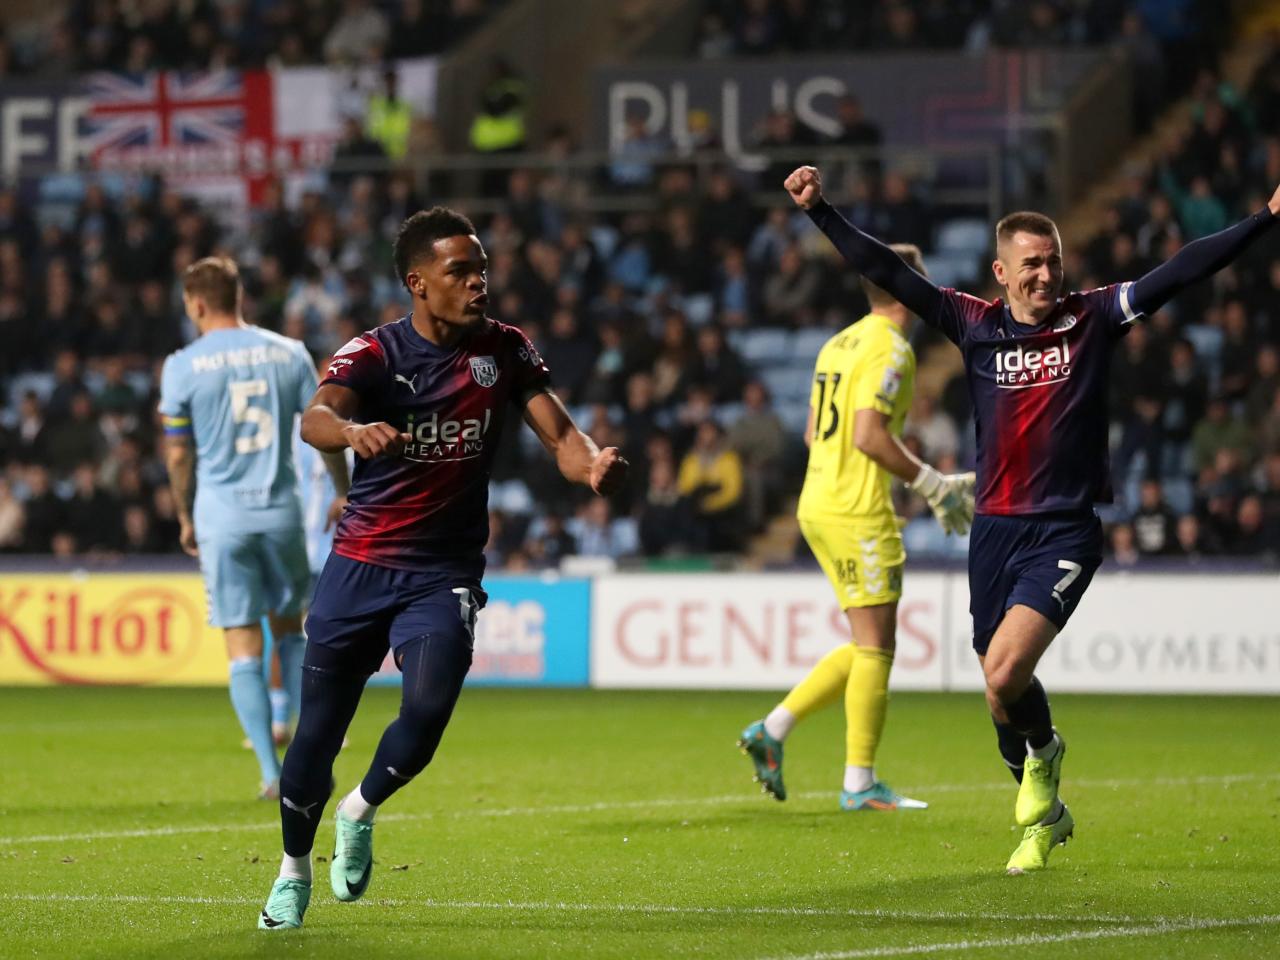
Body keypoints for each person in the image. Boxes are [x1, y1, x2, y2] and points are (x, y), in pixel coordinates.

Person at [783, 164, 1280, 873]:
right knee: (996, 687)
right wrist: (821, 212)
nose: (1045, 275)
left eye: (1053, 262)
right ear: (1001, 271)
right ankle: (1043, 814)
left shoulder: (1095, 315)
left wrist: (1265, 216)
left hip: (1064, 528)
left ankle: (1046, 759)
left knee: (1007, 668)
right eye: (1031, 265)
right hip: (994, 529)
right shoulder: (972, 323)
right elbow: (889, 273)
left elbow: (1181, 271)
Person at [257, 207, 627, 931]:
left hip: (442, 572)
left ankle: (359, 811)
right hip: (360, 567)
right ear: (418, 283)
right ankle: (292, 870)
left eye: (481, 268)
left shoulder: (505, 350)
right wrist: (354, 430)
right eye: (461, 271)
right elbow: (314, 418)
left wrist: (592, 467)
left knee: (425, 714)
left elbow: (560, 434)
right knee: (311, 745)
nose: (478, 282)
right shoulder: (373, 354)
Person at [738, 245, 973, 813]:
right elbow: (868, 435)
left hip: (819, 500)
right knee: (876, 649)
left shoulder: (838, 342)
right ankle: (859, 782)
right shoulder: (891, 349)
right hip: (857, 510)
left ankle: (773, 730)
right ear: (909, 287)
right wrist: (932, 484)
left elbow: (813, 434)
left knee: (869, 644)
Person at [160, 257, 344, 799]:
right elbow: (322, 429)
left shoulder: (182, 365)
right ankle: (308, 761)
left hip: (222, 518)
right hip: (281, 514)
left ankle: (270, 772)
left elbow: (177, 455)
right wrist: (341, 490)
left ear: (195, 303)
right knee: (291, 631)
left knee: (242, 644)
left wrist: (184, 515)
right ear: (240, 297)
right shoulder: (287, 353)